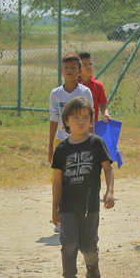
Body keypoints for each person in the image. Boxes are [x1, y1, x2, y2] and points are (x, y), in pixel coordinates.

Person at [52, 97, 115, 278]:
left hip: (90, 208)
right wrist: (54, 208)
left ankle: (92, 265)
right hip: (67, 207)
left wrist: (110, 192)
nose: (81, 122)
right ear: (66, 122)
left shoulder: (96, 143)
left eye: (85, 118)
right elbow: (57, 180)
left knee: (88, 247)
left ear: (91, 120)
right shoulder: (62, 149)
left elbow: (108, 168)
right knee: (68, 245)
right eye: (75, 118)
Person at [49, 53, 95, 232]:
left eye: (73, 68)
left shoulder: (84, 92)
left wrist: (92, 143)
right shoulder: (56, 93)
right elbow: (53, 119)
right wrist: (50, 147)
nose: (69, 70)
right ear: (61, 70)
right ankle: (61, 217)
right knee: (60, 179)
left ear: (79, 71)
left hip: (81, 141)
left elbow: (90, 118)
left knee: (78, 179)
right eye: (66, 67)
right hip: (61, 141)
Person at [76, 51, 111, 123]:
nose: (89, 66)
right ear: (78, 68)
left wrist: (106, 114)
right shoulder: (74, 85)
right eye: (85, 65)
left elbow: (103, 105)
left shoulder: (98, 86)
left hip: (93, 125)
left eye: (90, 64)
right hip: (77, 124)